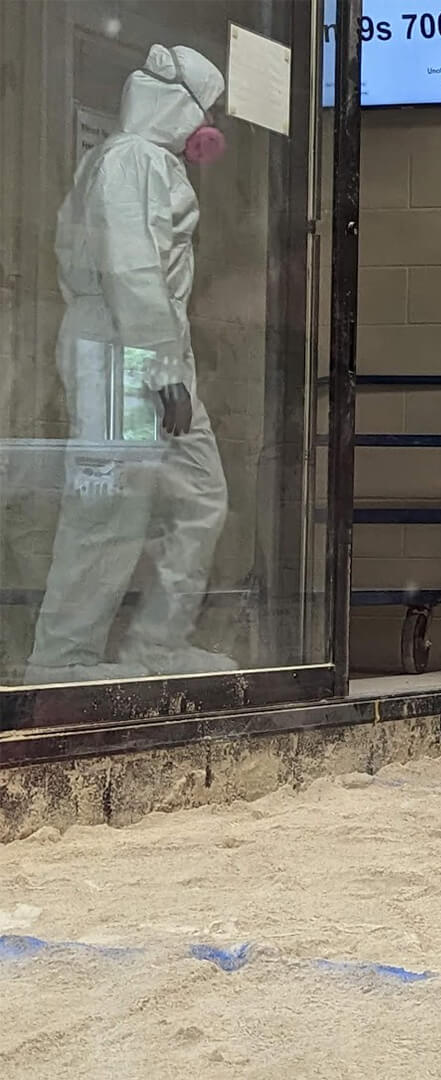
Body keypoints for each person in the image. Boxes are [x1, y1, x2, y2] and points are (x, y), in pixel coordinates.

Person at [28, 45, 233, 683]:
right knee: (108, 506)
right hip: (126, 348)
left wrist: (170, 363)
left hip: (149, 348)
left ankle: (158, 645)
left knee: (200, 497)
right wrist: (163, 369)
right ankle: (62, 656)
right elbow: (131, 271)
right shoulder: (130, 160)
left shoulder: (138, 161)